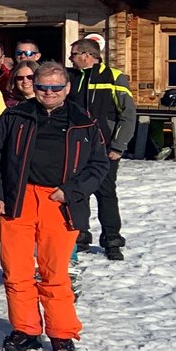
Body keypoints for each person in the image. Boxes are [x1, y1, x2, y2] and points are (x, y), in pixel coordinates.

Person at [0, 62, 109, 351]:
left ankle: (62, 333)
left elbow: (99, 165)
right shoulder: (15, 116)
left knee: (55, 272)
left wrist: (72, 190)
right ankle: (25, 329)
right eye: (42, 87)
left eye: (55, 87)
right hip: (18, 198)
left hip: (60, 201)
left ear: (67, 88)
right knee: (16, 270)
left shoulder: (84, 122)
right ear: (34, 87)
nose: (49, 92)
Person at [68, 38, 135, 261]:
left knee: (105, 193)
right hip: (77, 146)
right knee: (78, 192)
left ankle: (112, 240)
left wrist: (118, 145)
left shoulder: (114, 77)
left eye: (73, 54)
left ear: (87, 55)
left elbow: (128, 114)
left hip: (105, 148)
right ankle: (80, 236)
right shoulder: (70, 77)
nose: (70, 58)